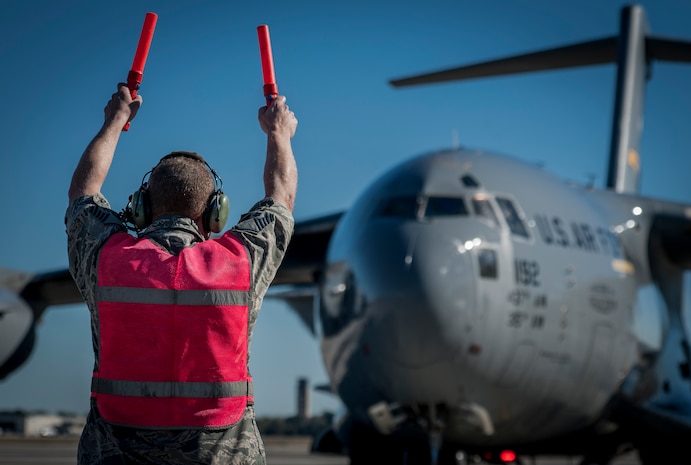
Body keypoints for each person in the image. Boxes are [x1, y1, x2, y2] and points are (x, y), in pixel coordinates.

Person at [66, 82, 298, 465]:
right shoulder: (239, 261)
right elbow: (281, 197)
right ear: (215, 214)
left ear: (141, 206)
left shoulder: (107, 256)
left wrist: (115, 121)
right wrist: (279, 133)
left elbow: (82, 192)